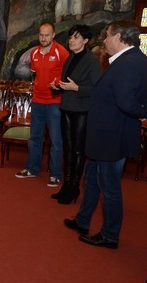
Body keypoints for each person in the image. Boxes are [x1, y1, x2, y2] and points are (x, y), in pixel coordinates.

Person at [63, 20, 147, 249]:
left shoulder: (128, 63)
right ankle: (84, 220)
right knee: (92, 178)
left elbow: (127, 102)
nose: (104, 40)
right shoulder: (134, 59)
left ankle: (110, 235)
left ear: (120, 37)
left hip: (111, 137)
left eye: (107, 36)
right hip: (107, 134)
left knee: (109, 188)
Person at [49, 25, 101, 204]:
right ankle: (66, 185)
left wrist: (76, 88)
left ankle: (74, 188)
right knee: (68, 149)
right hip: (67, 107)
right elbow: (67, 84)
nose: (71, 40)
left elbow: (97, 89)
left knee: (78, 151)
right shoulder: (70, 57)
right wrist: (57, 87)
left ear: (86, 41)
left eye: (76, 37)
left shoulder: (92, 60)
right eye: (71, 36)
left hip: (82, 111)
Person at [15, 22, 69, 188]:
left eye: (47, 35)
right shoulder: (35, 53)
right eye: (41, 35)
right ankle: (32, 168)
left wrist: (58, 84)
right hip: (37, 101)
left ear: (53, 35)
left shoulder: (62, 52)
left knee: (56, 141)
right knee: (35, 138)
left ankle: (55, 174)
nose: (43, 38)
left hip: (55, 103)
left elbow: (69, 76)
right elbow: (35, 74)